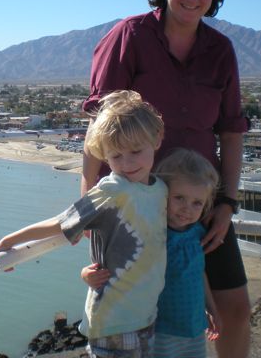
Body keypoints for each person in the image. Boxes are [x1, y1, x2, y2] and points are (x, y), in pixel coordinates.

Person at [82, 0, 250, 358]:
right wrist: (89, 202)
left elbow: (230, 133)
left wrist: (227, 203)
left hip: (200, 204)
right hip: (139, 202)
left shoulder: (220, 51)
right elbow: (101, 128)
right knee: (146, 313)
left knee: (235, 311)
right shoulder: (130, 36)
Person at [0, 90, 168, 358]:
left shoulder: (160, 189)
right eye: (116, 156)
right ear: (104, 155)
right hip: (113, 320)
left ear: (156, 140)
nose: (127, 163)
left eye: (135, 151)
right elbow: (62, 222)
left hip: (145, 314)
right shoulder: (112, 189)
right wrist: (10, 241)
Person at [83, 148, 223, 357]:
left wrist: (211, 308)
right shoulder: (152, 233)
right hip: (160, 327)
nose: (187, 209)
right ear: (162, 193)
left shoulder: (197, 233)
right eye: (179, 198)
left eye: (197, 203)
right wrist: (86, 274)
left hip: (194, 327)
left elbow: (198, 272)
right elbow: (117, 263)